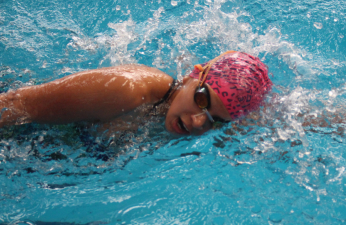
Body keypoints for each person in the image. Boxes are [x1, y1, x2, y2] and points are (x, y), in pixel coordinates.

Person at [0, 51, 273, 136]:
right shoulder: (126, 89)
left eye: (216, 120)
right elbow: (14, 105)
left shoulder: (186, 116)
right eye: (202, 100)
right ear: (195, 73)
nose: (198, 122)